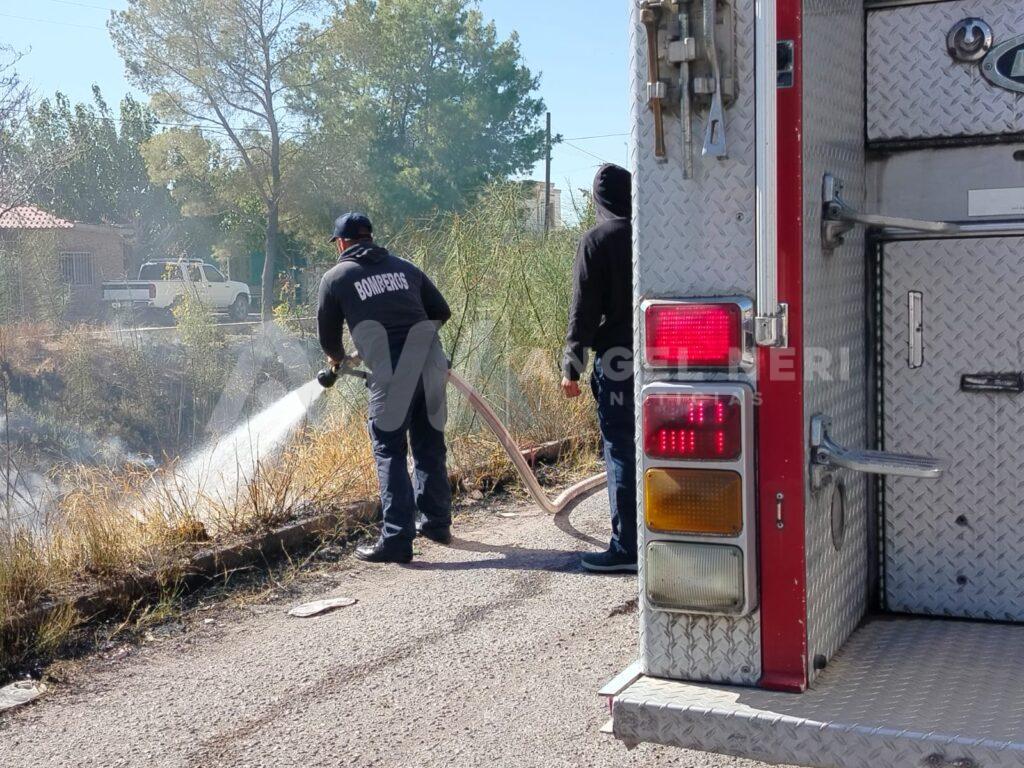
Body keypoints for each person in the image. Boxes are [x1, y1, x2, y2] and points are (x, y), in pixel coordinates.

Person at [317, 212, 453, 564]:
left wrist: (339, 359)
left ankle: (396, 539)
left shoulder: (335, 278)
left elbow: (328, 341)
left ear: (341, 243)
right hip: (432, 364)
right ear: (371, 238)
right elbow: (441, 311)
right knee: (429, 445)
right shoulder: (406, 268)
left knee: (390, 451)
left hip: (393, 375)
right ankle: (436, 524)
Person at [561, 165, 636, 573]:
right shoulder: (651, 235)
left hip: (618, 362)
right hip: (667, 357)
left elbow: (583, 311)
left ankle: (627, 549)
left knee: (621, 447)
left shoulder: (597, 240)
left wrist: (571, 367)